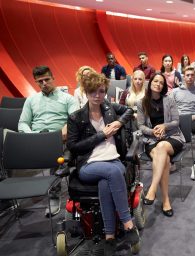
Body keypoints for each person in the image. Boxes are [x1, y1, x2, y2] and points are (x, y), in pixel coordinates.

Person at [67, 71, 140, 254]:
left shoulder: (108, 107)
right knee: (113, 174)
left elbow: (129, 110)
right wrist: (102, 135)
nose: (97, 96)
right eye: (93, 92)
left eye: (101, 91)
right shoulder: (76, 117)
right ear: (85, 91)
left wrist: (119, 123)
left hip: (113, 159)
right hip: (88, 164)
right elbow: (74, 147)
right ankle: (128, 224)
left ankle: (109, 236)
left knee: (105, 184)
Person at [18, 65, 79, 217]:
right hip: (36, 139)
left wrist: (66, 129)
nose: (44, 83)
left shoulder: (68, 99)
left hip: (59, 139)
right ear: (36, 83)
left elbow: (75, 120)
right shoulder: (31, 100)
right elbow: (22, 123)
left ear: (53, 78)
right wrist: (31, 134)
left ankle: (54, 195)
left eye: (46, 79)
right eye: (40, 81)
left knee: (57, 159)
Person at [137, 73, 185, 217]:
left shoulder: (169, 100)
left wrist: (164, 126)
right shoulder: (141, 102)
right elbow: (140, 125)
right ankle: (165, 201)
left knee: (162, 147)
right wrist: (153, 131)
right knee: (165, 160)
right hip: (152, 139)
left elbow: (176, 121)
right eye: (156, 81)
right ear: (150, 83)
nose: (158, 84)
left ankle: (152, 190)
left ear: (164, 86)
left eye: (161, 82)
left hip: (172, 137)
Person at [172, 66, 195, 180]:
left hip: (192, 119)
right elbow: (170, 108)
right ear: (184, 76)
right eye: (187, 75)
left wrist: (192, 117)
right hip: (177, 119)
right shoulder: (175, 92)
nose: (190, 77)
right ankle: (171, 161)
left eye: (192, 75)